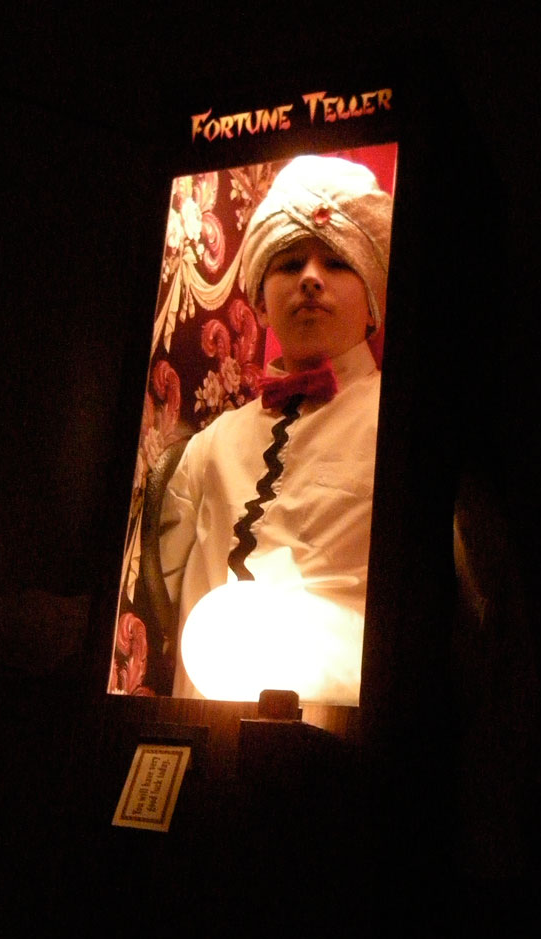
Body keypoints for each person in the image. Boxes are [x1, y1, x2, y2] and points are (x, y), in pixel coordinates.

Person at [159, 154, 393, 701]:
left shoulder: (400, 430)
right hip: (201, 726)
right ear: (261, 303)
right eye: (288, 264)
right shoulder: (211, 446)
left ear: (373, 304)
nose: (310, 278)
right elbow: (158, 589)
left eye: (336, 262)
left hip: (343, 727)